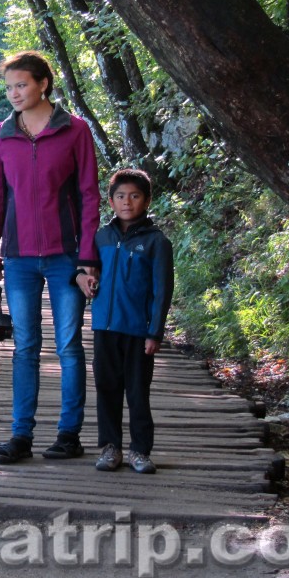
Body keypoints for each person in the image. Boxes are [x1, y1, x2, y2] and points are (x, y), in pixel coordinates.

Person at [0, 50, 101, 464]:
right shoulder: (1, 135)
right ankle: (21, 436)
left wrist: (88, 257)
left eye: (22, 85)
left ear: (43, 84)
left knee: (69, 346)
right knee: (26, 346)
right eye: (10, 86)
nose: (14, 93)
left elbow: (89, 196)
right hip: (18, 260)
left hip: (67, 256)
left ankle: (69, 434)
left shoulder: (75, 131)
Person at [76, 168, 174, 474]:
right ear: (111, 200)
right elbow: (82, 269)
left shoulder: (157, 242)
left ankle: (140, 451)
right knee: (106, 388)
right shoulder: (101, 236)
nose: (127, 202)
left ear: (146, 200)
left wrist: (154, 332)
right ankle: (110, 448)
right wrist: (84, 279)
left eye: (134, 196)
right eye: (120, 196)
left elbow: (162, 290)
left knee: (137, 392)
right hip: (105, 327)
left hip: (137, 330)